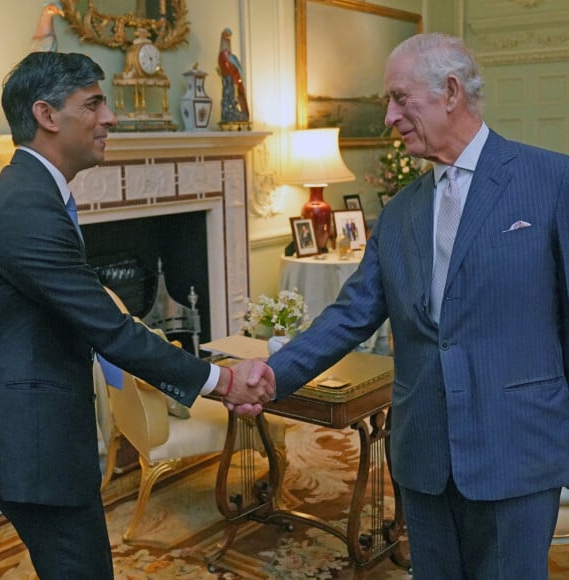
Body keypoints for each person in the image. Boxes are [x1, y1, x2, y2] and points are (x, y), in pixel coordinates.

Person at [237, 33, 569, 579]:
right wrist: (271, 375)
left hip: (519, 448)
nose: (389, 116)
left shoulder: (550, 181)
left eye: (399, 98)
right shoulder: (399, 213)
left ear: (451, 92)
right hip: (424, 454)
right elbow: (350, 315)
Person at [0, 51, 274, 579]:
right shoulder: (25, 207)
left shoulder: (27, 196)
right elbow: (108, 329)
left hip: (33, 436)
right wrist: (222, 381)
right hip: (33, 443)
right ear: (47, 116)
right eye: (93, 104)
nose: (111, 118)